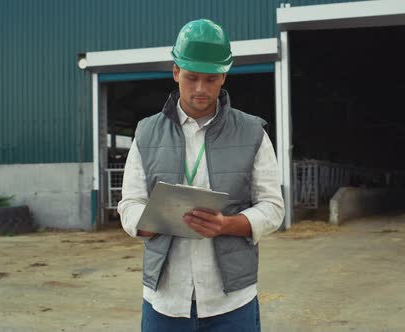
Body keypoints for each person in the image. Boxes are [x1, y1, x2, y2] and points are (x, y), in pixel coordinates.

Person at [117, 19, 285, 331]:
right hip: (165, 298)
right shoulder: (146, 132)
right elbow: (130, 202)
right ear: (176, 71)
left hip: (231, 300)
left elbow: (273, 207)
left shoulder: (252, 133)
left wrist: (227, 225)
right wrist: (145, 224)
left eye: (210, 79)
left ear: (224, 75)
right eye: (191, 77)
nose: (199, 89)